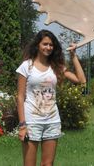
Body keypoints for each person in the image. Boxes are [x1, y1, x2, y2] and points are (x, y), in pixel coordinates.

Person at [16, 29, 86, 166]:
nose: (48, 47)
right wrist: (22, 125)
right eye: (45, 44)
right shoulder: (27, 66)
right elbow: (20, 97)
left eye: (51, 45)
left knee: (47, 164)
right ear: (38, 45)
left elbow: (81, 80)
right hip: (32, 122)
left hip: (52, 122)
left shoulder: (56, 67)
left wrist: (73, 56)